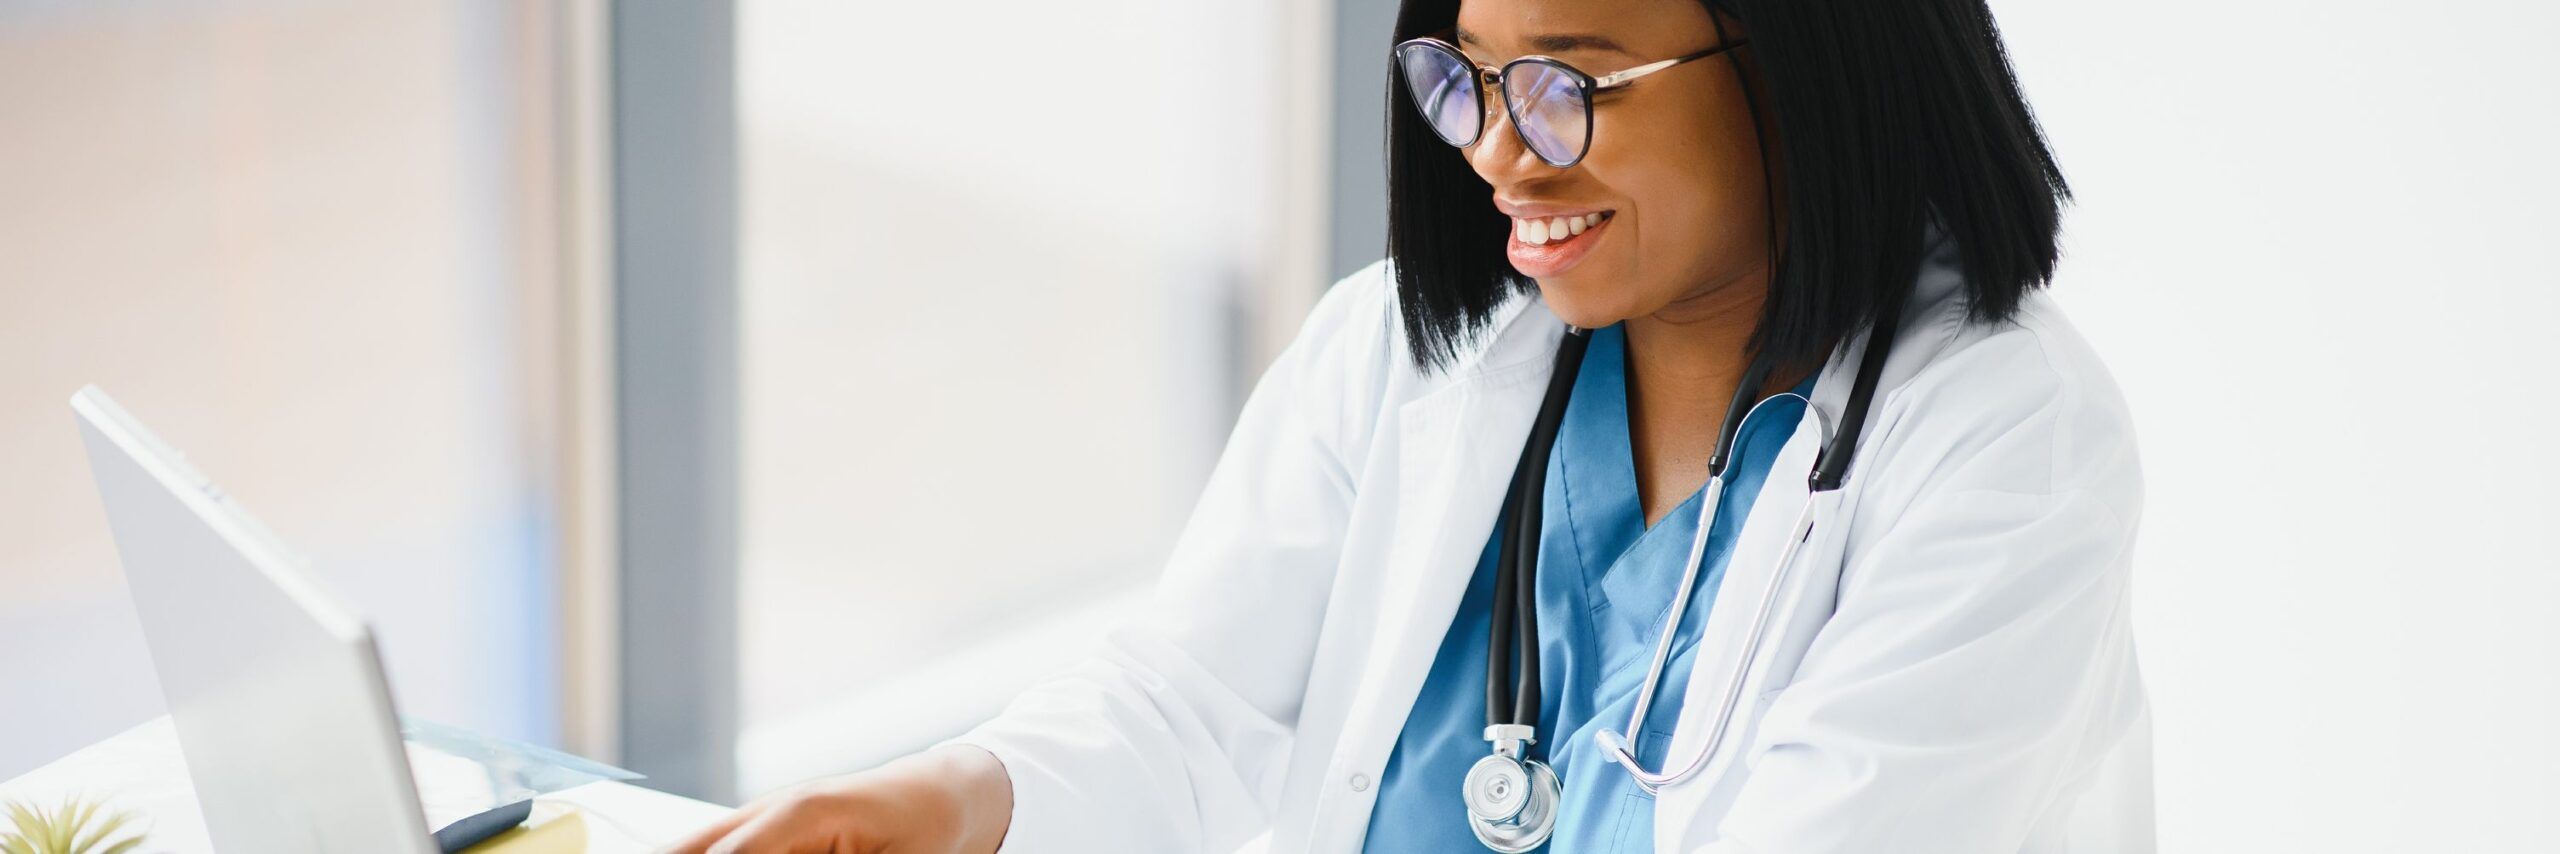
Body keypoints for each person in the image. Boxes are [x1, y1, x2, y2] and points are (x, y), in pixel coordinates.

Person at [670, 0, 2148, 850]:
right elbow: (1197, 704)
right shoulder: (1406, 353)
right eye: (1468, 77)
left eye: (1569, 86)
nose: (1501, 153)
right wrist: (946, 797)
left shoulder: (2008, 447)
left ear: (1805, 56)